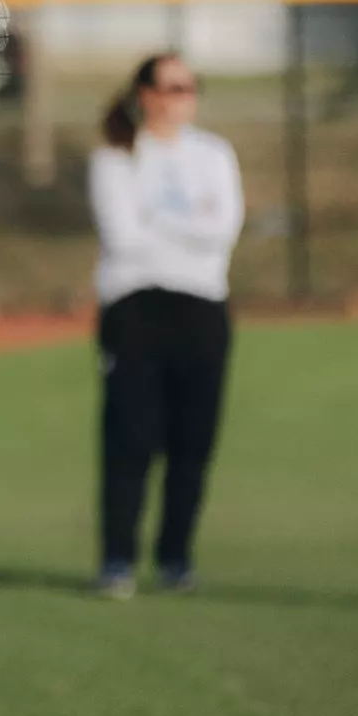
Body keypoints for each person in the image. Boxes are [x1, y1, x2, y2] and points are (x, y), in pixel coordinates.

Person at [89, 53, 244, 600]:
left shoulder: (215, 154)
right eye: (173, 87)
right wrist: (189, 225)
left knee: (193, 441)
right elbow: (123, 237)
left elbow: (223, 230)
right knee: (131, 439)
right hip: (136, 311)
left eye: (190, 87)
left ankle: (176, 558)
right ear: (146, 94)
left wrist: (157, 217)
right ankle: (117, 562)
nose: (183, 96)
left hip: (202, 309)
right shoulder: (115, 155)